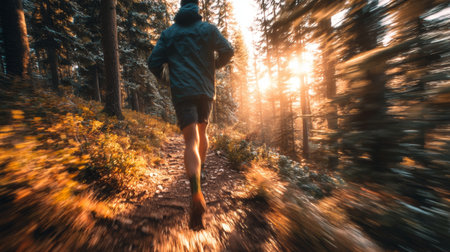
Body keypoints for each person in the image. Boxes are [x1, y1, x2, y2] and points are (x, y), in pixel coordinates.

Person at [147, 0, 234, 230]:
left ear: (180, 7)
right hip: (205, 91)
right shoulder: (208, 29)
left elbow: (153, 62)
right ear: (196, 7)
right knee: (203, 133)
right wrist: (213, 67)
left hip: (183, 93)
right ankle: (200, 174)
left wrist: (168, 79)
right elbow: (228, 50)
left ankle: (195, 192)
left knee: (190, 142)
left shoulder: (169, 33)